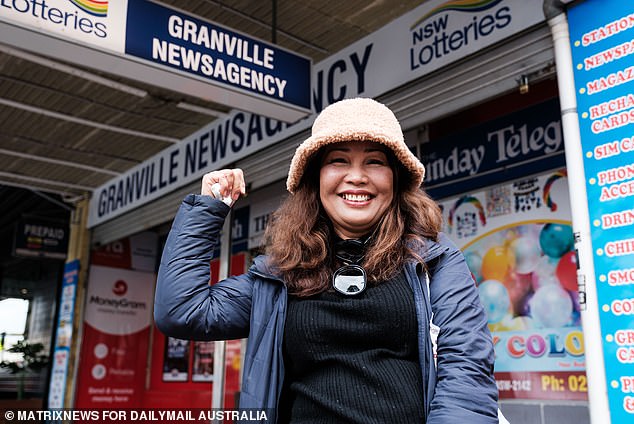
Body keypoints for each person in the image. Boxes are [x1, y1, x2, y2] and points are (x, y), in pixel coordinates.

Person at [154, 98, 499, 423]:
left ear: (395, 179)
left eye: (375, 162)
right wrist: (206, 212)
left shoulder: (433, 260)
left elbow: (466, 365)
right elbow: (183, 312)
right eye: (339, 160)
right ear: (316, 178)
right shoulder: (283, 275)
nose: (357, 176)